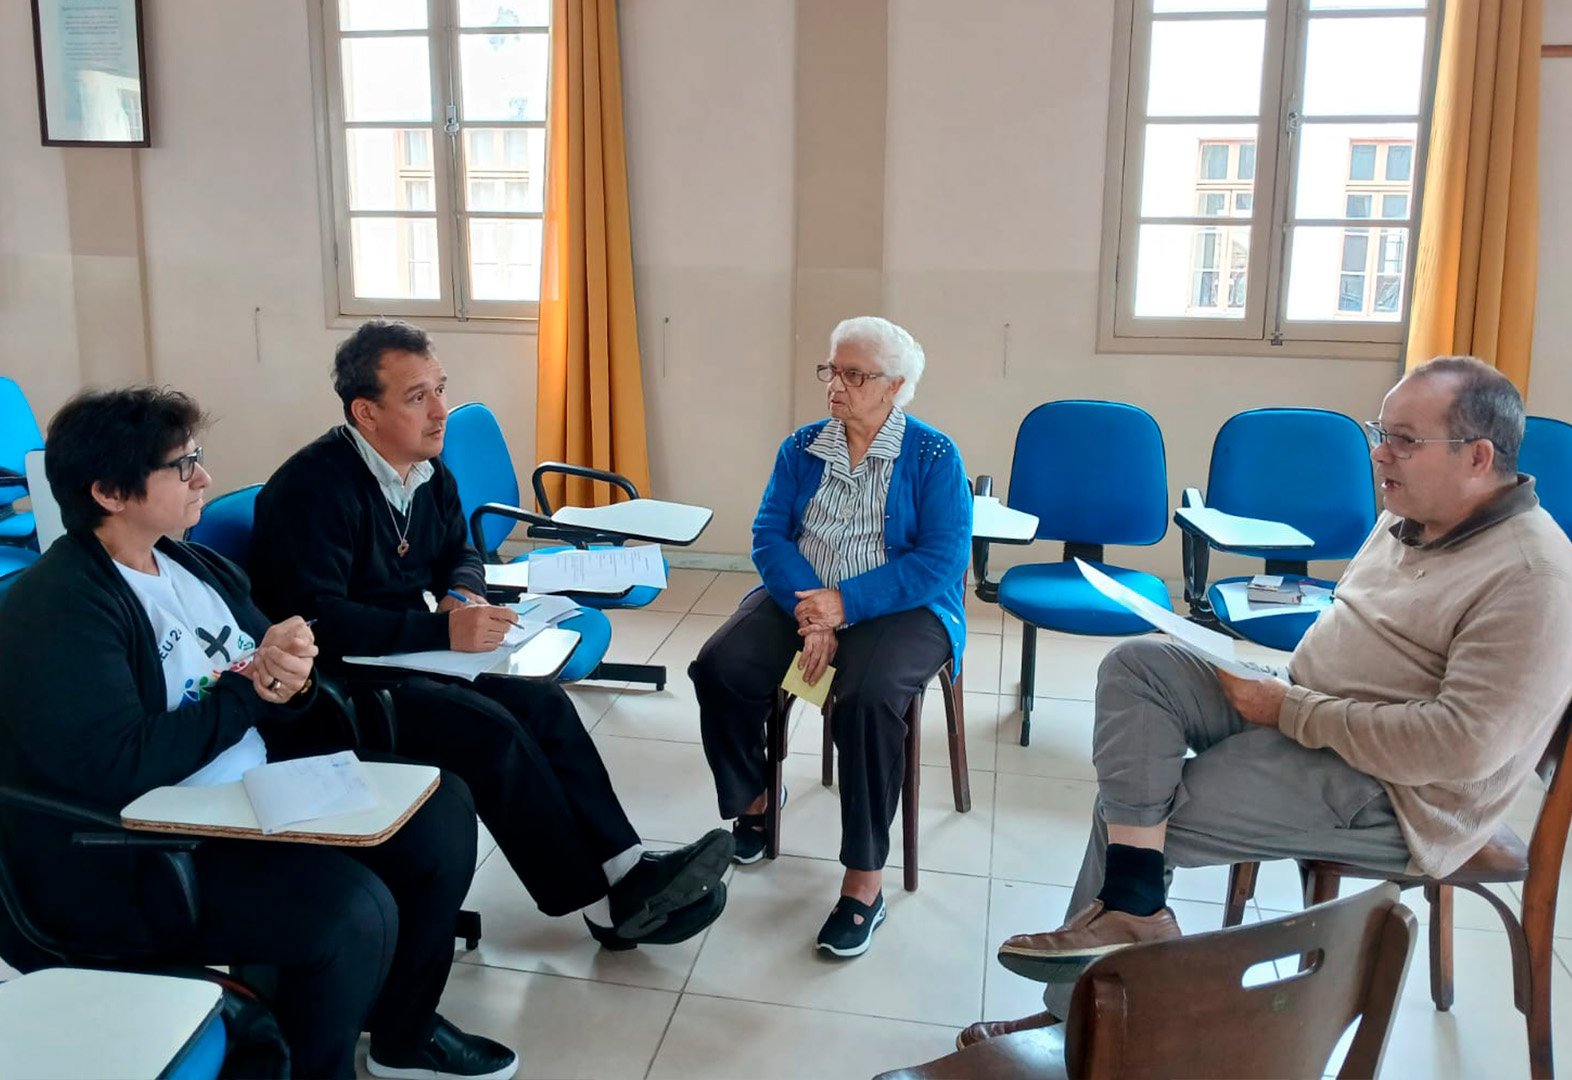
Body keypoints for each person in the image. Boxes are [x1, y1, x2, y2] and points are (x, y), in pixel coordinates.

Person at [959, 356, 1572, 1049]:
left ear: (1478, 457)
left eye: (1404, 440)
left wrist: (1287, 710)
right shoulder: (1412, 513)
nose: (1378, 454)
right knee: (1140, 668)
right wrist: (1268, 685)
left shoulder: (1532, 577)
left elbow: (1457, 749)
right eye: (1380, 433)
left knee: (1146, 813)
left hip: (1400, 792)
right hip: (1312, 711)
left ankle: (1082, 1022)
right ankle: (1128, 925)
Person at [0, 387, 517, 1079]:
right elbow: (120, 765)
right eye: (182, 466)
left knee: (440, 809)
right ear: (110, 493)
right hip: (144, 846)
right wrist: (250, 690)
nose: (204, 479)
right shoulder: (59, 609)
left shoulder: (189, 563)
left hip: (244, 786)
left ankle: (404, 1032)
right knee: (349, 911)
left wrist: (291, 679)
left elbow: (269, 686)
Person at [249, 319, 731, 950]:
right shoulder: (312, 490)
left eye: (440, 389)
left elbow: (461, 550)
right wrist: (442, 628)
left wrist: (463, 590)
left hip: (414, 651)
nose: (439, 412)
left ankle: (627, 869)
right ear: (366, 412)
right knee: (494, 734)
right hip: (341, 682)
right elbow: (318, 622)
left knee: (543, 704)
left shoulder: (427, 470)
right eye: (417, 397)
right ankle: (601, 906)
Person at [689, 315, 971, 958]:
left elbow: (942, 560)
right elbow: (769, 535)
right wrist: (814, 612)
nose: (835, 386)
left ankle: (864, 881)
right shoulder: (802, 447)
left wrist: (848, 605)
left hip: (903, 606)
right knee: (720, 666)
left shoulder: (933, 455)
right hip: (804, 595)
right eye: (832, 370)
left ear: (894, 386)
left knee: (865, 699)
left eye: (855, 375)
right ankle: (757, 798)